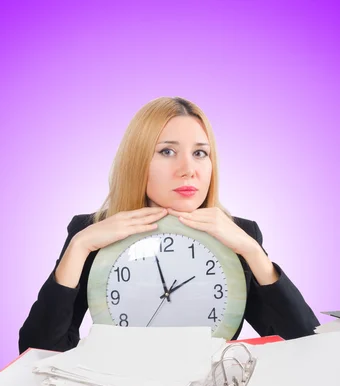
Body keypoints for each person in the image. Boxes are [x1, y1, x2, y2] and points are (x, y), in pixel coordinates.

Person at [18, 96, 319, 353]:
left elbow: (303, 345)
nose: (188, 170)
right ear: (137, 161)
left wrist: (254, 253)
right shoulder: (92, 231)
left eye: (200, 153)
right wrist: (80, 246)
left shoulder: (240, 235)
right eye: (167, 151)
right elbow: (39, 351)